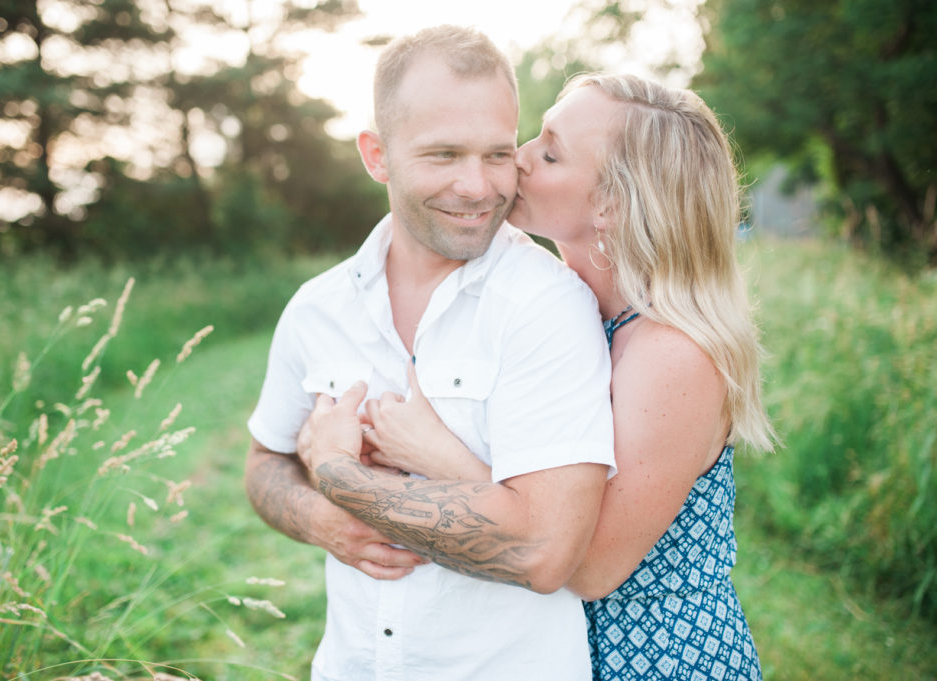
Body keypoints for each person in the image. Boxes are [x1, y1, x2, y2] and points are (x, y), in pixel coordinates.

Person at [317, 73, 776, 680]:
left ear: (612, 203)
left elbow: (584, 564)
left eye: (550, 152)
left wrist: (437, 453)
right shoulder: (577, 315)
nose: (518, 159)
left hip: (651, 658)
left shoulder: (671, 353)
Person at [243, 26, 616, 681]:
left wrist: (335, 472)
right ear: (377, 155)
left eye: (497, 154)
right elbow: (265, 461)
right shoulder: (316, 307)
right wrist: (323, 519)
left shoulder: (548, 305)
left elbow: (545, 549)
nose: (477, 187)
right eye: (443, 154)